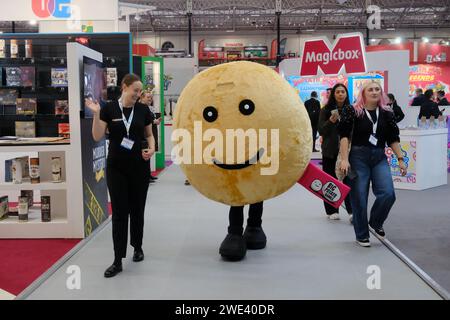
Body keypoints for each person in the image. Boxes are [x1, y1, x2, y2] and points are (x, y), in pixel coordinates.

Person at [85, 74, 155, 277]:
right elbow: (97, 136)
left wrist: (151, 149)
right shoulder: (108, 108)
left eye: (140, 91)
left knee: (137, 209)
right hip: (116, 168)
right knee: (119, 213)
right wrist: (97, 114)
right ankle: (117, 260)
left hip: (139, 167)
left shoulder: (143, 110)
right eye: (135, 90)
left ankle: (138, 247)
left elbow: (149, 135)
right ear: (125, 87)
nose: (138, 94)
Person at [338, 80, 407, 247]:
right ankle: (362, 234)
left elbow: (393, 139)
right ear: (363, 93)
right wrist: (345, 159)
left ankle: (375, 223)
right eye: (371, 89)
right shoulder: (352, 111)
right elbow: (344, 136)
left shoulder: (387, 113)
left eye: (377, 89)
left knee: (388, 194)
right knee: (359, 196)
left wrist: (400, 159)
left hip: (379, 157)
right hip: (357, 156)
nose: (375, 92)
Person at [318, 83, 353, 221]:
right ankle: (332, 210)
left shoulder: (351, 110)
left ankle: (351, 211)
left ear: (346, 94)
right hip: (330, 151)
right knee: (330, 181)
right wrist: (331, 121)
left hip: (347, 152)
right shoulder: (326, 110)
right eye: (337, 92)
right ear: (333, 94)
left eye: (342, 92)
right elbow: (321, 130)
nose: (340, 94)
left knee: (349, 180)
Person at [139, 90, 161, 182]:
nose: (150, 99)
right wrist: (153, 122)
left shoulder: (150, 108)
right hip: (142, 136)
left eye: (151, 97)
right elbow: (142, 122)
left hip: (150, 134)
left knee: (148, 155)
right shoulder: (139, 109)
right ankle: (145, 176)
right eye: (148, 97)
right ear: (142, 97)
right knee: (143, 156)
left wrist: (155, 121)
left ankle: (148, 175)